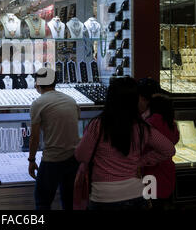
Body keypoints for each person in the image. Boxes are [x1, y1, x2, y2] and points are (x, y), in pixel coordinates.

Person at [75, 77, 175, 210]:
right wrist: (141, 160)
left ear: (110, 99)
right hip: (136, 194)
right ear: (134, 101)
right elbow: (169, 149)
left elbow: (81, 156)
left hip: (104, 196)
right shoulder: (142, 127)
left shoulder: (97, 125)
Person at [28, 67, 80, 210]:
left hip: (52, 160)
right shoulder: (71, 100)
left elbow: (34, 137)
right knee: (69, 202)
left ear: (38, 83)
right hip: (73, 159)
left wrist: (31, 160)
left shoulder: (38, 104)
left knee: (42, 202)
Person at [143, 94, 180, 210]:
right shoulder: (172, 125)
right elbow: (175, 140)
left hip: (151, 171)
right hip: (168, 169)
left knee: (151, 202)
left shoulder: (149, 122)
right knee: (162, 202)